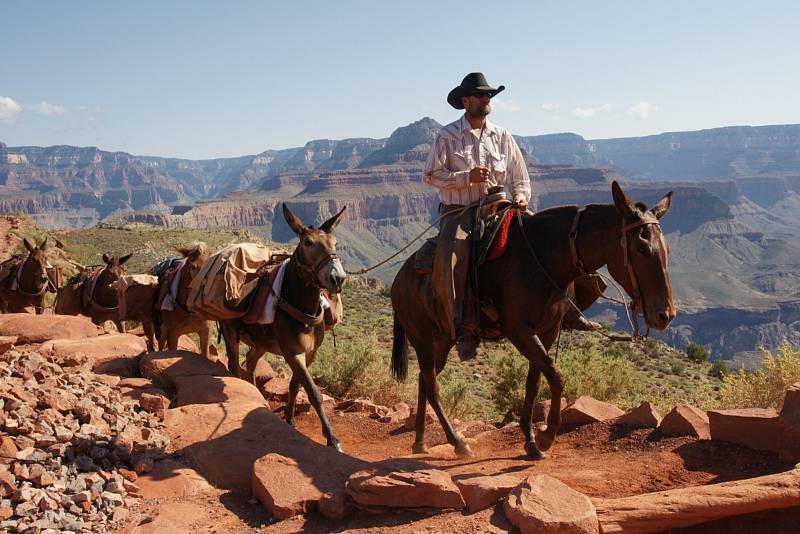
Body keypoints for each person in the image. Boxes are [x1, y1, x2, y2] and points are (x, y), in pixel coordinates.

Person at [423, 72, 531, 360]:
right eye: (481, 95)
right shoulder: (446, 136)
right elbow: (430, 176)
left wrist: (520, 198)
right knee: (452, 257)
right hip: (459, 212)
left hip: (499, 207)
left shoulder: (503, 136)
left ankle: (564, 308)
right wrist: (464, 178)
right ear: (465, 101)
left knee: (542, 238)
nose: (486, 99)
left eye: (489, 95)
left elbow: (520, 178)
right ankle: (463, 327)